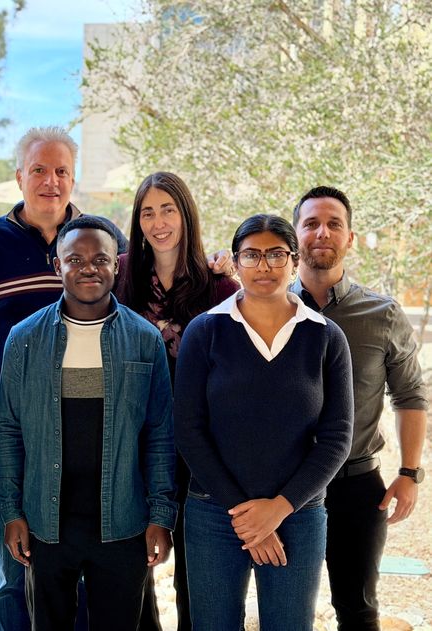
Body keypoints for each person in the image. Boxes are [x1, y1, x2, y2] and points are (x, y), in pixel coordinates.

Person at [0, 126, 129, 631]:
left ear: (73, 179)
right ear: (19, 176)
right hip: (14, 431)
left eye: (61, 171)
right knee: (14, 570)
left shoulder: (105, 239)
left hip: (91, 432)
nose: (50, 181)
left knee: (76, 572)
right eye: (38, 170)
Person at [0, 216, 177, 630]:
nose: (89, 267)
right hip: (46, 522)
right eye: (75, 259)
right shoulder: (24, 339)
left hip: (123, 523)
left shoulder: (143, 338)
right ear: (57, 266)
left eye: (101, 258)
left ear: (117, 265)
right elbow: (6, 429)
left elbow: (160, 435)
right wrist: (12, 512)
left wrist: (161, 516)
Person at [174, 214, 353, 630]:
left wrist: (278, 510)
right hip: (214, 512)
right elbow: (189, 429)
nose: (264, 266)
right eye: (251, 255)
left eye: (276, 254)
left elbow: (336, 438)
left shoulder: (325, 337)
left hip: (298, 512)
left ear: (294, 261)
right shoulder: (206, 331)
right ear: (235, 263)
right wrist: (246, 516)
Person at [290, 186, 428, 630]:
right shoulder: (268, 310)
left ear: (350, 238)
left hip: (356, 486)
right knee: (286, 610)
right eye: (310, 223)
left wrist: (409, 473)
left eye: (334, 224)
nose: (322, 232)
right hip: (285, 487)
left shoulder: (382, 313)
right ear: (295, 237)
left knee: (358, 609)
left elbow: (409, 394)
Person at [116, 171, 238, 630]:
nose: (158, 221)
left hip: (198, 447)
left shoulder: (220, 287)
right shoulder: (121, 275)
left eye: (168, 209)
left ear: (186, 215)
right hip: (133, 442)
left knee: (196, 577)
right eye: (148, 212)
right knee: (130, 571)